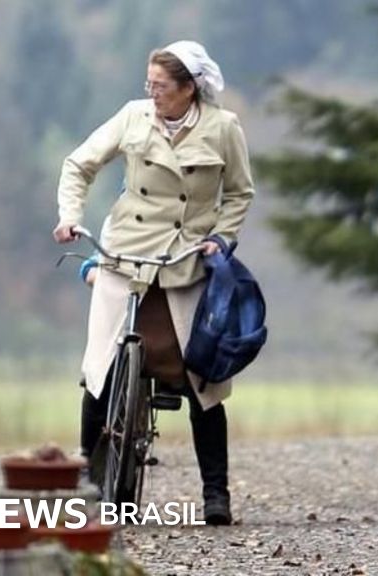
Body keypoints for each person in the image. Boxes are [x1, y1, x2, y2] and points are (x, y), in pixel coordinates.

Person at [53, 40, 255, 526]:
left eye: (161, 86)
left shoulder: (223, 128)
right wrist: (69, 217)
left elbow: (239, 193)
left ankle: (216, 493)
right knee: (100, 369)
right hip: (126, 252)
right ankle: (88, 483)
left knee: (204, 381)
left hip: (186, 259)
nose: (153, 93)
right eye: (149, 84)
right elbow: (79, 164)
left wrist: (222, 238)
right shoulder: (133, 117)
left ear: (189, 89)